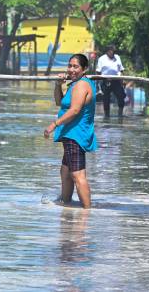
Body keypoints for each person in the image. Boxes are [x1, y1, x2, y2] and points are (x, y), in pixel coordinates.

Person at [44, 54, 97, 209]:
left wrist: (54, 124)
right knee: (65, 172)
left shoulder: (81, 85)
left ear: (84, 69)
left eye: (76, 67)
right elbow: (60, 103)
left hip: (76, 134)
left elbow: (74, 110)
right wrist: (57, 85)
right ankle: (65, 205)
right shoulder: (74, 84)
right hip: (69, 133)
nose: (71, 70)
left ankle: (87, 212)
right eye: (70, 66)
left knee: (77, 175)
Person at [96, 46, 126, 117]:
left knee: (121, 96)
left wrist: (123, 80)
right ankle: (106, 115)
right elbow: (98, 71)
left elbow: (121, 70)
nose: (113, 53)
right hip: (106, 81)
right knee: (106, 99)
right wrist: (101, 80)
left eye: (114, 51)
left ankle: (120, 114)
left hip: (116, 81)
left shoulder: (117, 57)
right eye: (111, 51)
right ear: (107, 51)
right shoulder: (102, 59)